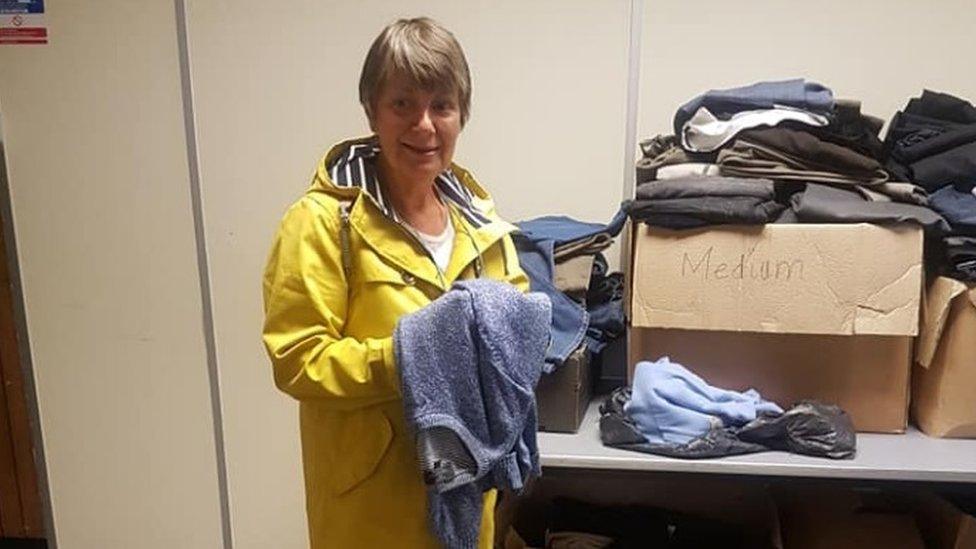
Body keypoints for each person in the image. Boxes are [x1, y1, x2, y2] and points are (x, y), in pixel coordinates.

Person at [262, 17, 528, 548]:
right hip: (372, 512)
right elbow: (298, 360)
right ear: (372, 110)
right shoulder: (321, 222)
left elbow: (514, 320)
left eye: (442, 105)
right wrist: (414, 355)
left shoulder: (480, 223)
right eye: (403, 103)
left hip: (467, 496)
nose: (424, 125)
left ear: (461, 114)